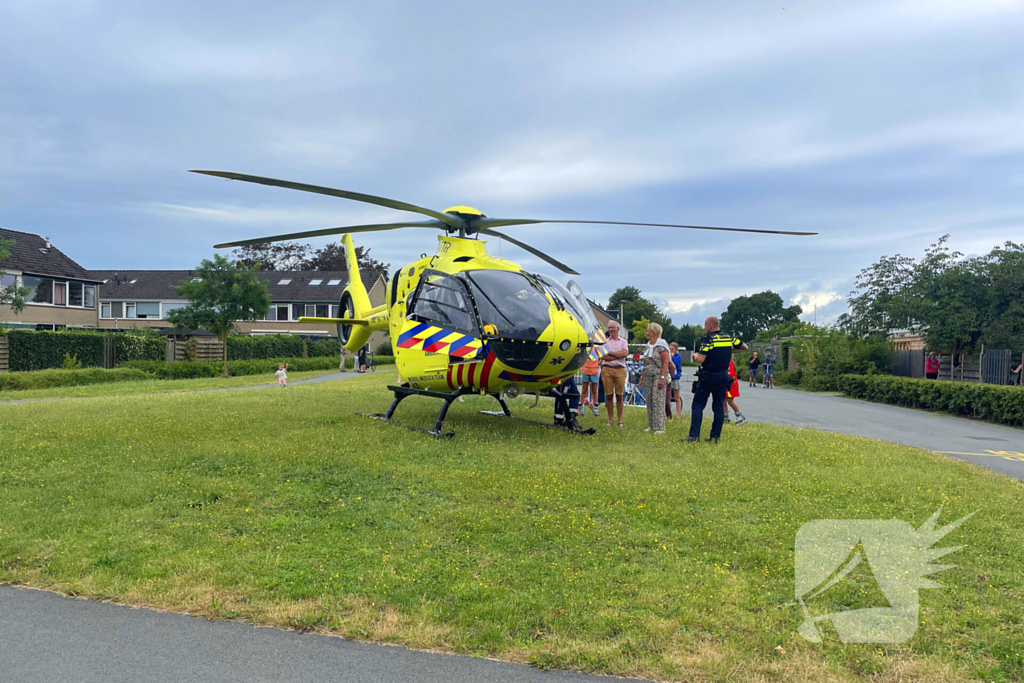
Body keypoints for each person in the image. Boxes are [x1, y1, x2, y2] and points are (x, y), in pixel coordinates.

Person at [685, 316, 747, 443]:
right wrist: (729, 350)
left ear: (709, 326)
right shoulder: (728, 338)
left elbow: (701, 359)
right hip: (723, 376)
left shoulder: (708, 339)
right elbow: (744, 347)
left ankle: (693, 436)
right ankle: (715, 437)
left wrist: (695, 356)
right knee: (718, 406)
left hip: (708, 376)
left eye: (705, 325)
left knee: (698, 406)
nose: (704, 328)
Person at [640, 322, 672, 434]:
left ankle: (660, 427)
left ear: (653, 332)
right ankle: (652, 425)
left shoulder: (661, 345)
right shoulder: (648, 345)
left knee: (658, 400)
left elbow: (666, 362)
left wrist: (662, 378)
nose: (646, 332)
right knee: (649, 400)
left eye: (648, 330)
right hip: (648, 375)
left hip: (658, 375)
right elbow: (645, 363)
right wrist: (641, 378)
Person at [600, 320, 629, 428]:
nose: (611, 329)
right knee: (608, 395)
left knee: (619, 395)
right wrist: (618, 355)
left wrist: (610, 353)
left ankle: (620, 420)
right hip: (607, 369)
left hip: (620, 369)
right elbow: (602, 356)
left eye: (612, 327)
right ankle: (610, 419)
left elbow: (625, 353)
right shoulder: (605, 341)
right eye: (609, 327)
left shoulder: (623, 341)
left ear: (617, 329)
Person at [723, 358, 747, 425]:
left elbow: (730, 373)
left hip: (731, 384)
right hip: (726, 384)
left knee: (730, 401)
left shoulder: (728, 362)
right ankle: (725, 417)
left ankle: (740, 415)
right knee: (723, 401)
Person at [580, 348, 602, 417]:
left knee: (594, 390)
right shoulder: (586, 348)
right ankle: (581, 406)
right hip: (585, 370)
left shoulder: (597, 348)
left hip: (594, 371)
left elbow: (602, 357)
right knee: (584, 390)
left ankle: (595, 408)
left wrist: (597, 364)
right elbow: (580, 353)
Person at [669, 342, 684, 420]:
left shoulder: (678, 357)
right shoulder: (667, 356)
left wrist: (672, 357)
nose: (671, 351)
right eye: (670, 349)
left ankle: (678, 416)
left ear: (676, 350)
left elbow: (676, 366)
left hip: (675, 378)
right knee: (667, 397)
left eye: (673, 349)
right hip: (668, 377)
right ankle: (667, 414)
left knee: (676, 397)